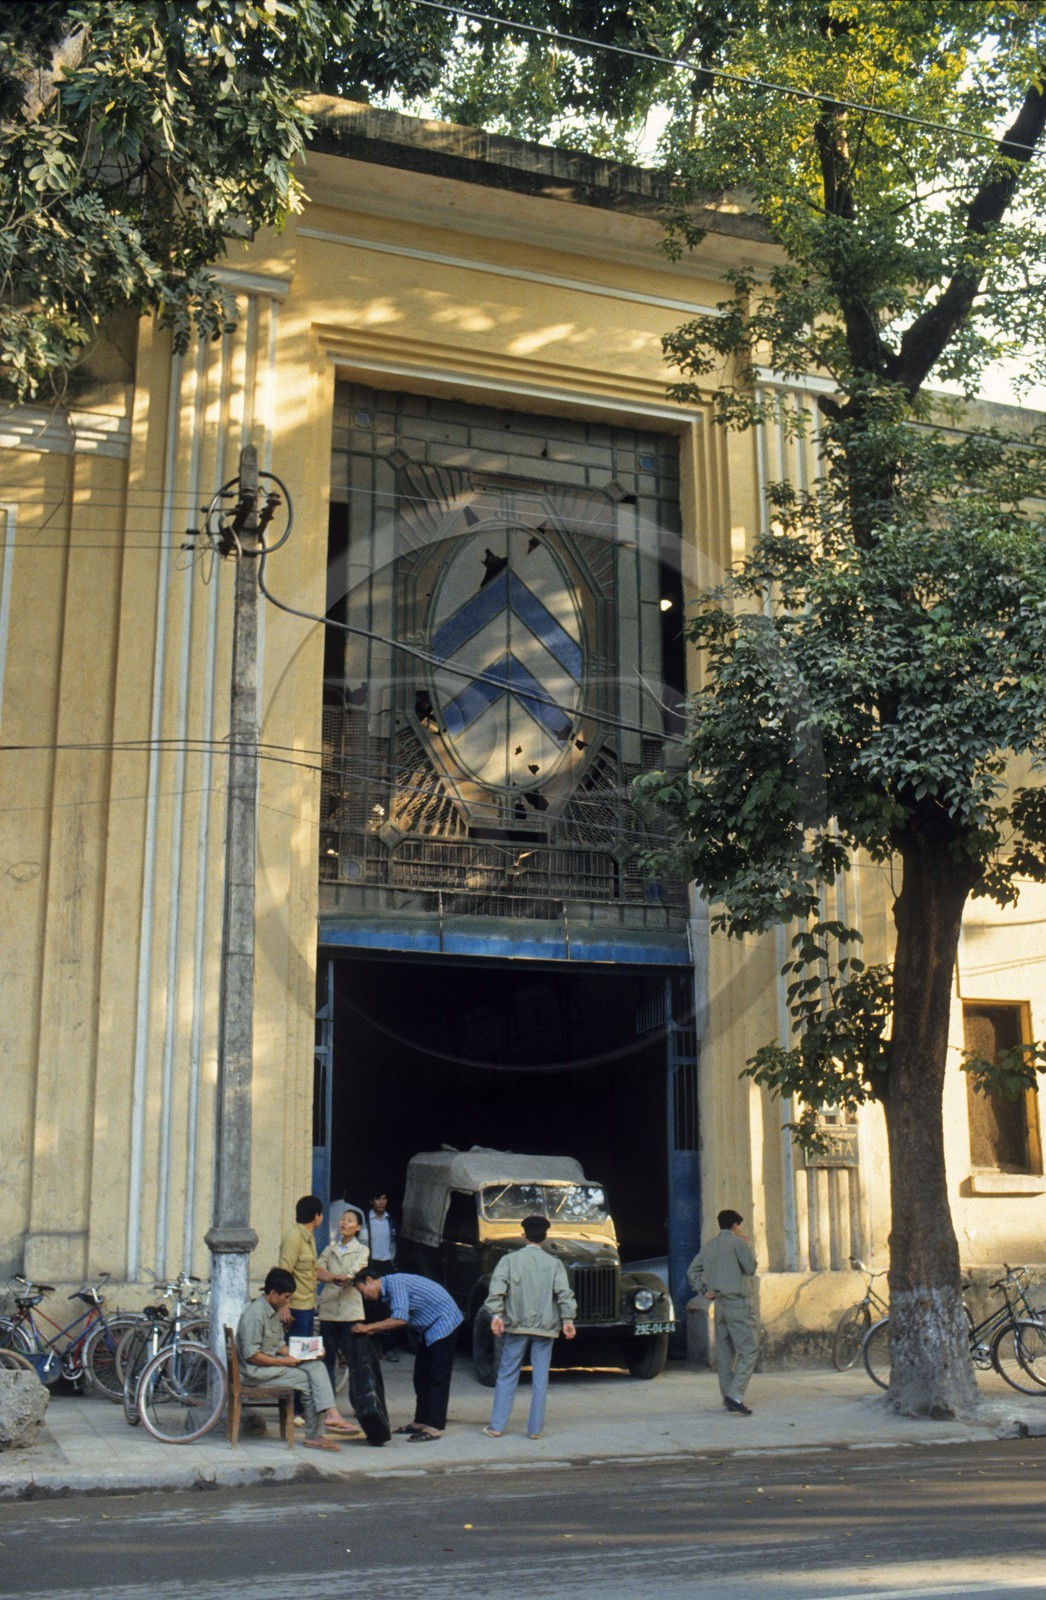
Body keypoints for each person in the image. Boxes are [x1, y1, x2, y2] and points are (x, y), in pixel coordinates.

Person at [236, 1268, 357, 1450]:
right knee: (306, 1381)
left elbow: (278, 1346)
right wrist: (283, 1361)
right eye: (285, 1297)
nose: (288, 1302)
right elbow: (253, 1356)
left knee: (316, 1365)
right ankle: (314, 1435)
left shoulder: (272, 1309)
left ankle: (331, 1412)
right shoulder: (255, 1315)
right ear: (273, 1293)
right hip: (255, 1373)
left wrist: (306, 1352)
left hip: (270, 1365)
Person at [482, 1214, 577, 1440]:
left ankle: (497, 1426)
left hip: (515, 1327)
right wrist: (568, 1321)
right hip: (545, 1329)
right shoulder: (554, 1264)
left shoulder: (509, 1261)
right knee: (540, 1377)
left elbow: (496, 1291)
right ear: (545, 1237)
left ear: (523, 1235)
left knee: (507, 1374)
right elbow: (564, 1295)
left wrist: (496, 1315)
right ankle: (535, 1430)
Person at [353, 1269, 463, 1441]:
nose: (365, 1297)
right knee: (420, 1376)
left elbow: (400, 1319)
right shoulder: (386, 1291)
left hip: (443, 1321)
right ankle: (421, 1421)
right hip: (428, 1326)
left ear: (369, 1280)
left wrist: (368, 1328)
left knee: (437, 1376)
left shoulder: (395, 1285)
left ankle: (434, 1426)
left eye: (363, 1292)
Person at [278, 1194, 354, 1433]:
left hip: (307, 1306)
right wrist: (283, 1305)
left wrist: (333, 1277)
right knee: (297, 1359)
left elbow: (313, 1270)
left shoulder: (308, 1237)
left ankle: (301, 1408)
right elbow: (284, 1272)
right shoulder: (293, 1237)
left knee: (304, 1358)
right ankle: (295, 1409)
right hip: (296, 1309)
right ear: (317, 1216)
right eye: (321, 1214)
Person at [687, 1208, 758, 1416]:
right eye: (739, 1226)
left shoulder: (709, 1246)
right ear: (735, 1226)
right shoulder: (738, 1243)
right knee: (748, 1351)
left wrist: (702, 1291)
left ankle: (728, 1395)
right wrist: (748, 1246)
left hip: (718, 1304)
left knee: (725, 1353)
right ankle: (735, 1395)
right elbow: (750, 1268)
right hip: (738, 1303)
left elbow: (692, 1271)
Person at [317, 1205, 370, 1398]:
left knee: (355, 1359)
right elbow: (318, 1270)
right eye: (342, 1219)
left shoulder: (362, 1250)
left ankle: (360, 1401)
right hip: (329, 1309)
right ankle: (327, 1400)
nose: (344, 1223)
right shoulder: (329, 1250)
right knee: (327, 1358)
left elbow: (356, 1270)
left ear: (357, 1227)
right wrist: (333, 1277)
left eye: (349, 1220)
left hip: (351, 1311)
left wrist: (339, 1276)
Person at [364, 1190, 399, 1360]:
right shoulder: (365, 1220)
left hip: (386, 1265)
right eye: (378, 1197)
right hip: (371, 1265)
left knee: (388, 1307)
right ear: (371, 1200)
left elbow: (394, 1243)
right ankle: (369, 1347)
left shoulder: (390, 1220)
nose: (381, 1201)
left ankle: (388, 1348)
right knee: (369, 1307)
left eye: (384, 1197)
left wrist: (393, 1262)